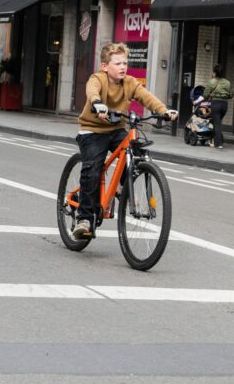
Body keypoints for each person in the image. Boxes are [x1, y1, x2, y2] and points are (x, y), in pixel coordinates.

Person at [72, 42, 178, 240]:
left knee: (136, 150)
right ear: (105, 66)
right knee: (93, 169)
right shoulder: (98, 78)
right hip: (92, 130)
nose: (123, 67)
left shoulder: (130, 82)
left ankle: (122, 186)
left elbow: (146, 97)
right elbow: (91, 90)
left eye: (125, 63)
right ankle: (84, 219)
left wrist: (163, 111)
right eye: (118, 63)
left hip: (116, 128)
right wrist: (97, 103)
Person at [205, 64, 232, 149]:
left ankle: (218, 143)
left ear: (215, 73)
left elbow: (205, 94)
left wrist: (210, 96)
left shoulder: (212, 82)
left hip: (215, 104)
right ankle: (212, 139)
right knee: (217, 122)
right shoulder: (228, 82)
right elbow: (231, 95)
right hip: (224, 104)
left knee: (217, 124)